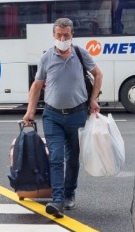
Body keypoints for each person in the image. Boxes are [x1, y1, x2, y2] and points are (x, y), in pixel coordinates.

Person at [22, 17, 103, 218]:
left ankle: (69, 194)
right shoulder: (46, 58)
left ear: (72, 35)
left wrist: (93, 99)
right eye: (59, 35)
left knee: (72, 158)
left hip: (77, 115)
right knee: (56, 158)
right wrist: (30, 111)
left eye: (66, 35)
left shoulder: (80, 54)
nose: (62, 38)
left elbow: (98, 74)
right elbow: (37, 85)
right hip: (52, 116)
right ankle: (57, 200)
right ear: (53, 35)